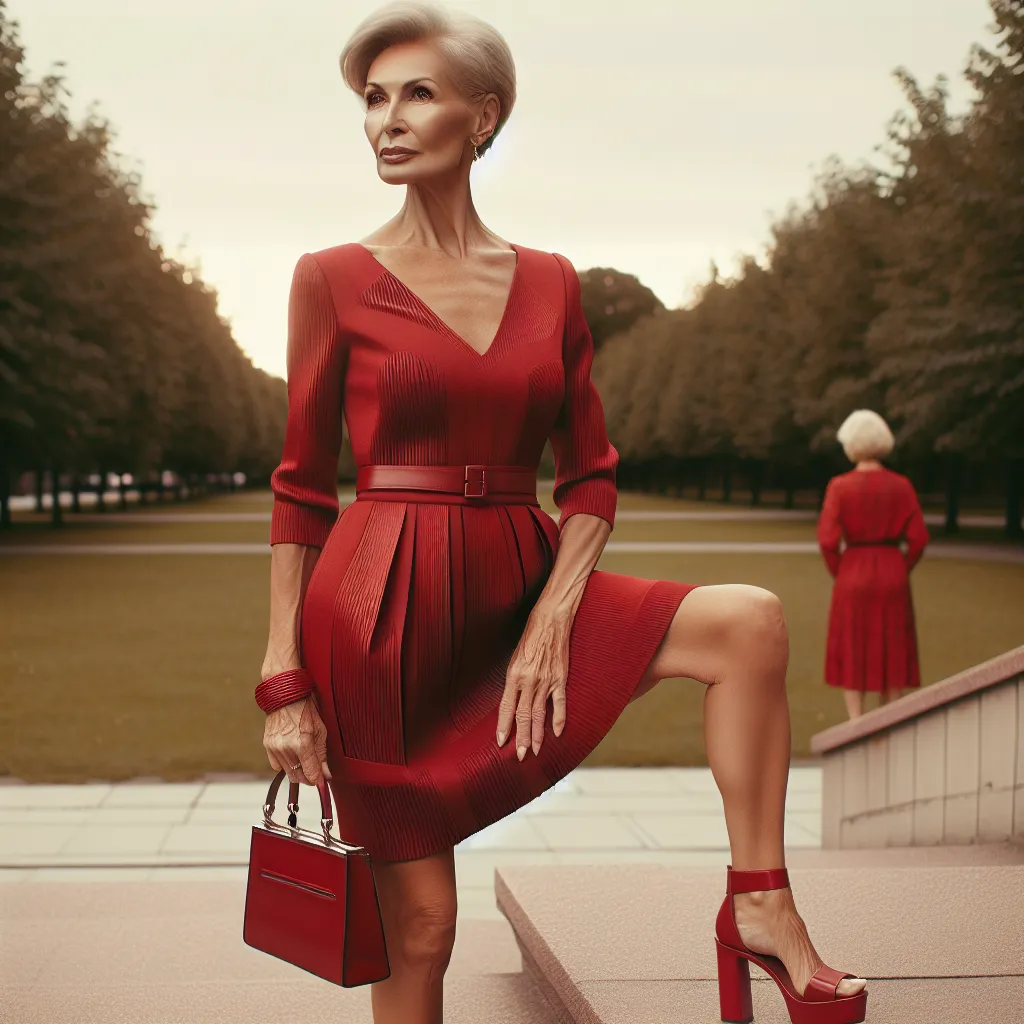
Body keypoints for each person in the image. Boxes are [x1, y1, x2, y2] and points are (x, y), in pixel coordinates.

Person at [257, 4, 867, 1022]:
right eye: (372, 98)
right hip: (378, 617)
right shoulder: (329, 278)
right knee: (421, 930)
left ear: (483, 116)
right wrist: (284, 676)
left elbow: (590, 474)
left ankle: (761, 909)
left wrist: (553, 614)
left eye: (417, 93)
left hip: (526, 577)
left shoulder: (550, 282)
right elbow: (300, 485)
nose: (385, 120)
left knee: (749, 623)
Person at [818, 410, 929, 721]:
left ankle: (856, 721)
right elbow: (919, 538)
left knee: (854, 644)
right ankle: (890, 717)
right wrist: (901, 567)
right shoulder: (902, 486)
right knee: (893, 645)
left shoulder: (839, 487)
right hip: (892, 568)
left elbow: (827, 541)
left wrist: (840, 572)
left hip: (852, 570)